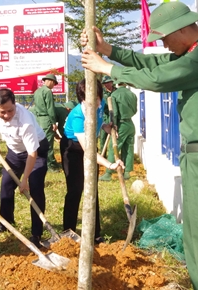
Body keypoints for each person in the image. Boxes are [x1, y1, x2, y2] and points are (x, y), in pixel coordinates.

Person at [80, 1, 198, 289]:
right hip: (196, 160)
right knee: (196, 246)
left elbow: (158, 77)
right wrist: (109, 51)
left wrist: (108, 69)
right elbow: (153, 63)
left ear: (182, 28)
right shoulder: (192, 53)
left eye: (165, 37)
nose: (164, 44)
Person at [62, 79, 123, 244]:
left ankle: (96, 234)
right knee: (75, 190)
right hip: (72, 148)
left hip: (89, 142)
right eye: (89, 102)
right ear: (82, 99)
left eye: (96, 100)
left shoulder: (101, 102)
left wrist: (105, 127)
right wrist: (109, 164)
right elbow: (88, 150)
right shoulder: (77, 116)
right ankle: (68, 233)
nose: (94, 105)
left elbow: (99, 119)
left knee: (92, 190)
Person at [0, 88, 49, 248]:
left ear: (15, 104)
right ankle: (6, 222)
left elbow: (32, 154)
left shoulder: (25, 121)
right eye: (3, 112)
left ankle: (36, 234)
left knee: (35, 188)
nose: (6, 115)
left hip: (36, 151)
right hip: (14, 151)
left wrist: (25, 179)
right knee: (6, 184)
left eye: (10, 110)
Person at [109, 82, 137, 180]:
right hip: (130, 123)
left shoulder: (114, 95)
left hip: (121, 124)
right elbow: (135, 110)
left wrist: (113, 125)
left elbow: (114, 113)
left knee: (113, 147)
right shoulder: (132, 94)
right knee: (129, 148)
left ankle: (108, 172)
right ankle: (128, 172)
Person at [33, 73, 58, 171]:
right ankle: (50, 164)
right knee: (48, 143)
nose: (53, 86)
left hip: (38, 119)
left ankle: (42, 161)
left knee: (39, 142)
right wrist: (53, 122)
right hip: (46, 119)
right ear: (51, 81)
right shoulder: (48, 92)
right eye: (54, 84)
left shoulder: (37, 91)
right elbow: (50, 108)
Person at [98, 76, 116, 181]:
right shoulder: (103, 95)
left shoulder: (116, 93)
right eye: (105, 84)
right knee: (103, 139)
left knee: (113, 142)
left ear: (112, 83)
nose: (107, 85)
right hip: (105, 119)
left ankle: (113, 159)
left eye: (108, 83)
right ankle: (102, 158)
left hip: (114, 119)